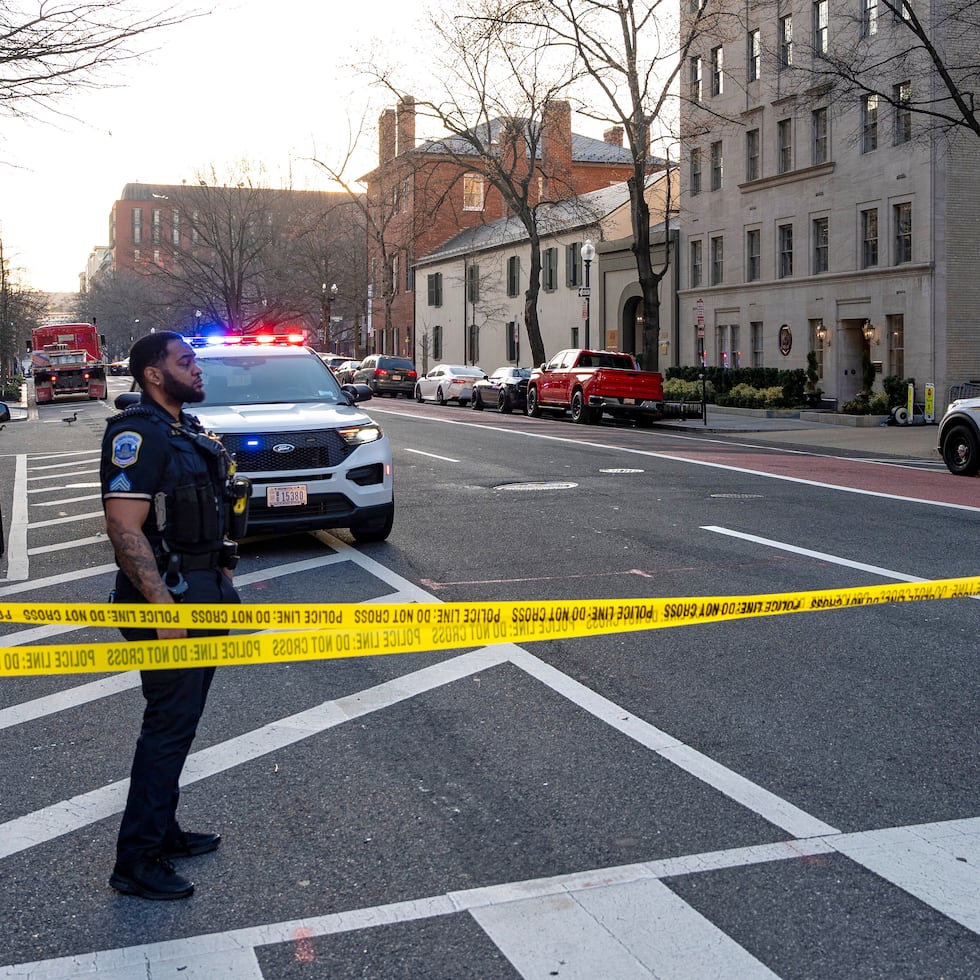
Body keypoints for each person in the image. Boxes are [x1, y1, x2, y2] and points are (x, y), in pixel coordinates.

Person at [100, 331, 245, 900]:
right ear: (154, 374)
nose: (198, 370)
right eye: (186, 362)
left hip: (202, 594)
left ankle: (163, 829)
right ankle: (136, 859)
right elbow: (124, 526)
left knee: (179, 724)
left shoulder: (185, 431)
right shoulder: (137, 433)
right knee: (167, 727)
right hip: (170, 604)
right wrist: (163, 608)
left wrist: (224, 575)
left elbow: (214, 510)